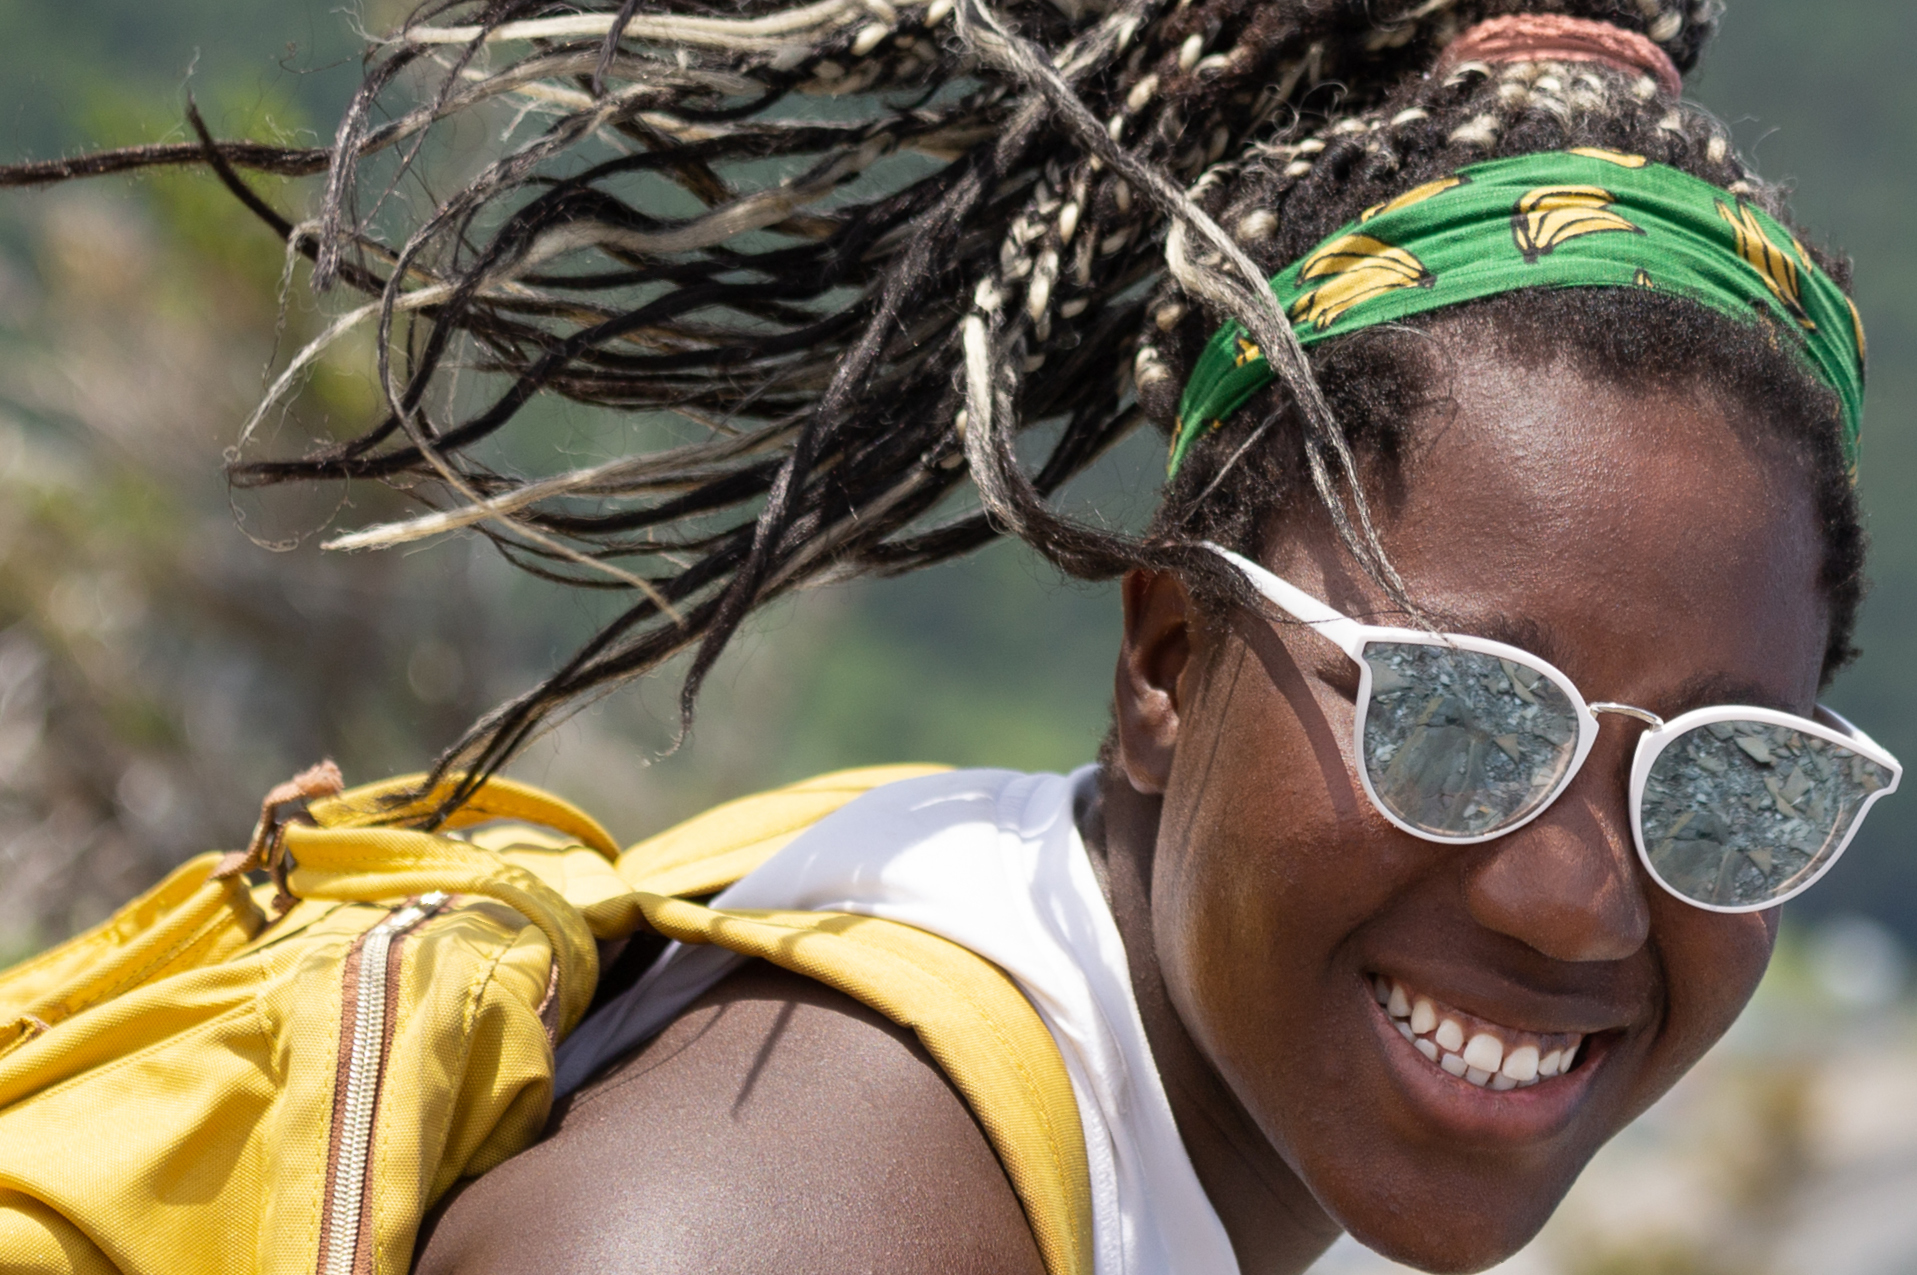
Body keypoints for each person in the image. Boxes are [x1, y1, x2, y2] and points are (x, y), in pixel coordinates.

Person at [0, 0, 1898, 1272]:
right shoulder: (818, 1212)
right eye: (1463, 721)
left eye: (1730, 786)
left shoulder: (994, 971)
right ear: (1163, 661)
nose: (1577, 904)